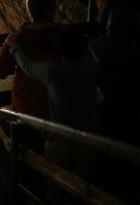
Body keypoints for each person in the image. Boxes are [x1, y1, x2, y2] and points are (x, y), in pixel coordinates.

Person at [6, 26, 101, 179]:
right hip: (90, 136)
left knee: (58, 182)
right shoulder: (93, 67)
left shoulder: (54, 72)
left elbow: (28, 66)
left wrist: (14, 47)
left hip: (62, 139)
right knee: (83, 181)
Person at [0, 0, 60, 120]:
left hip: (27, 105)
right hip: (59, 105)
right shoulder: (64, 36)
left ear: (29, 12)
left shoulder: (18, 39)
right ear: (52, 11)